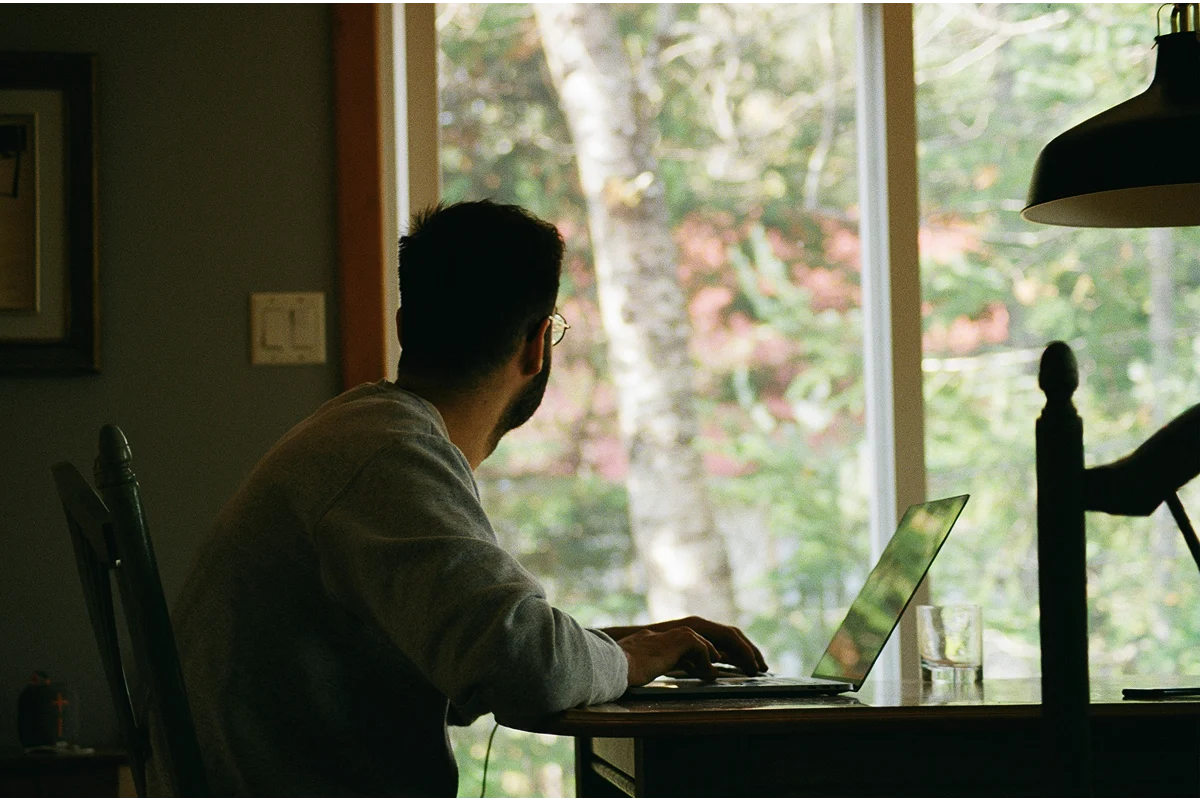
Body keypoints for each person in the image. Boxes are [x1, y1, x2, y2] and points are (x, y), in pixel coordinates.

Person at [149, 200, 766, 799]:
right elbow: (526, 667)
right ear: (537, 346)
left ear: (402, 326)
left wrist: (618, 648)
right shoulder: (389, 455)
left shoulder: (361, 435)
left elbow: (488, 646)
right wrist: (627, 662)